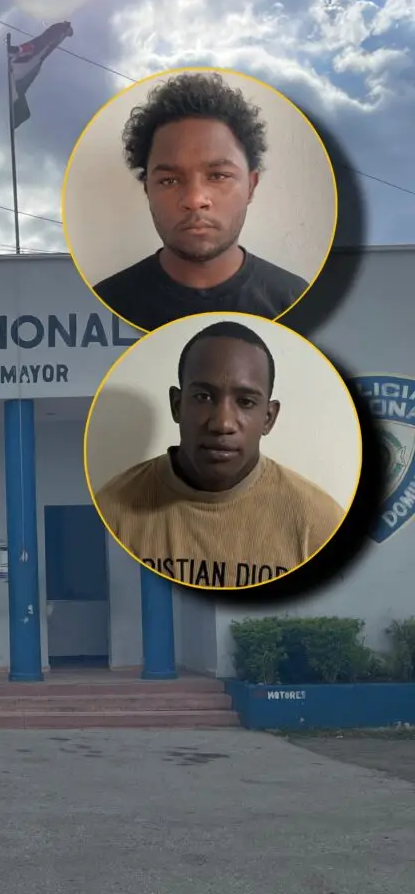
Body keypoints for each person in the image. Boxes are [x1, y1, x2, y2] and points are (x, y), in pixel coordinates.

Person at [93, 320, 346, 588]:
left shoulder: (319, 524)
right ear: (177, 405)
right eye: (203, 397)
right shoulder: (111, 510)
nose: (222, 424)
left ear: (268, 418)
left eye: (245, 402)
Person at [92, 72, 310, 331]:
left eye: (218, 176)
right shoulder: (103, 307)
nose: (195, 199)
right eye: (169, 180)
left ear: (251, 186)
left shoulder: (298, 302)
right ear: (148, 189)